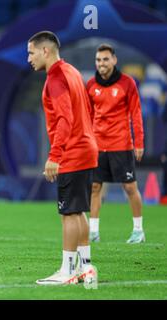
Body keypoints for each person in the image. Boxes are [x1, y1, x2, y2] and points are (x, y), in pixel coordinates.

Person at [27, 31, 98, 285]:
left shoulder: (56, 78)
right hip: (86, 148)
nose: (29, 58)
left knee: (68, 213)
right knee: (78, 211)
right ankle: (86, 268)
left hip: (72, 151)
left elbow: (65, 119)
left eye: (31, 52)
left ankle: (67, 271)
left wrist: (54, 155)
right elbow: (87, 111)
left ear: (45, 51)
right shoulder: (73, 72)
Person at [86, 44, 145, 243]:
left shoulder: (127, 83)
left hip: (121, 144)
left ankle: (138, 230)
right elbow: (88, 116)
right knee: (94, 187)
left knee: (129, 187)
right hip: (97, 144)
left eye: (105, 59)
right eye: (98, 60)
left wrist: (139, 142)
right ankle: (93, 232)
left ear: (114, 60)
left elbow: (136, 114)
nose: (101, 63)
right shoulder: (91, 85)